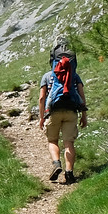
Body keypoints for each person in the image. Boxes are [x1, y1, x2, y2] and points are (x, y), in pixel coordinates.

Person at [38, 44, 88, 184]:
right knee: (68, 143)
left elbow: (42, 98)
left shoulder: (47, 76)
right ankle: (69, 172)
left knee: (52, 140)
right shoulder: (75, 76)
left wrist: (42, 118)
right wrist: (84, 116)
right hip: (71, 111)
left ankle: (56, 164)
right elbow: (81, 96)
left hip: (53, 112)